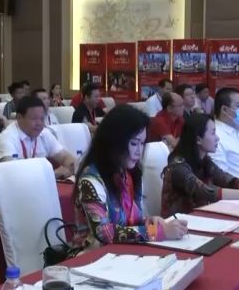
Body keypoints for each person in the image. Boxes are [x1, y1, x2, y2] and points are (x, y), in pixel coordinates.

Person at [73, 105, 187, 246]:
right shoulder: (90, 180)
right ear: (114, 142)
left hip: (123, 251)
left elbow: (130, 222)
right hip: (92, 253)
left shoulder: (129, 173)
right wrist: (157, 232)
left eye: (142, 144)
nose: (139, 151)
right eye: (134, 143)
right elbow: (104, 233)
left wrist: (148, 222)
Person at [162, 113, 239, 216]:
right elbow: (209, 193)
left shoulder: (205, 160)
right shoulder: (178, 167)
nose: (217, 138)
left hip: (202, 217)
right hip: (179, 224)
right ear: (198, 139)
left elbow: (229, 180)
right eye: (213, 133)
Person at [0, 96, 76, 179]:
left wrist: (70, 167)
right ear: (19, 117)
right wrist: (53, 174)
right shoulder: (7, 138)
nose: (39, 123)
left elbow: (65, 157)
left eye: (42, 118)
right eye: (34, 118)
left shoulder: (44, 133)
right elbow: (11, 174)